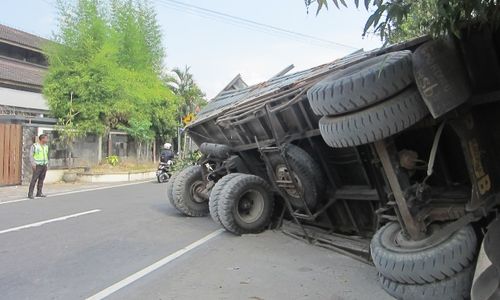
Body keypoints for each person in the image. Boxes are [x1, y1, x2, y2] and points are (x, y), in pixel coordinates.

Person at [28, 134, 49, 199]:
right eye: (46, 138)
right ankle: (30, 194)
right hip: (37, 165)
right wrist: (33, 164)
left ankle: (39, 192)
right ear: (42, 139)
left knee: (41, 179)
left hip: (44, 165)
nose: (47, 140)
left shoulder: (46, 146)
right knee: (34, 179)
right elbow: (31, 156)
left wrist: (47, 164)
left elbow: (46, 155)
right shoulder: (35, 146)